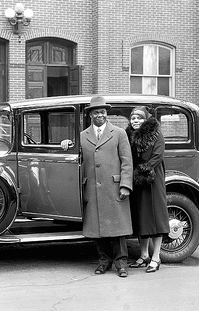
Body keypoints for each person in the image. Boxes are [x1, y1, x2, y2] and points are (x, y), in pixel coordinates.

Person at [61, 96, 133, 277]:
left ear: (106, 114)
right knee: (97, 230)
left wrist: (125, 185)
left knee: (118, 229)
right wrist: (66, 144)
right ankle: (104, 261)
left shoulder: (118, 133)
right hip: (93, 189)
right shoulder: (82, 136)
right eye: (96, 112)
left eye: (102, 112)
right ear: (90, 115)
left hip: (114, 188)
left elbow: (127, 161)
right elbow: (76, 155)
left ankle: (121, 264)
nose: (100, 115)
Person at [125, 106, 169, 273]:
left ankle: (156, 257)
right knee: (141, 217)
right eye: (133, 118)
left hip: (152, 179)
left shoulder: (156, 134)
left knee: (155, 217)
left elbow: (158, 156)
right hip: (136, 180)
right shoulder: (128, 135)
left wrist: (143, 171)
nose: (135, 121)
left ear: (146, 120)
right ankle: (144, 255)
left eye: (139, 118)